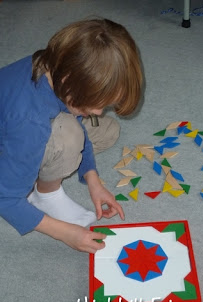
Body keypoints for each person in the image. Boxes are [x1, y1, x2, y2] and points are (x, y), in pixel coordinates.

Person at [0, 18, 143, 253]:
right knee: (70, 138)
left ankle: (44, 166)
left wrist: (92, 179)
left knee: (107, 131)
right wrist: (65, 233)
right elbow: (4, 197)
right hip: (14, 140)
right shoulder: (30, 123)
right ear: (69, 81)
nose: (99, 112)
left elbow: (78, 118)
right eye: (98, 104)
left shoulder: (58, 66)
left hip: (24, 124)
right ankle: (46, 195)